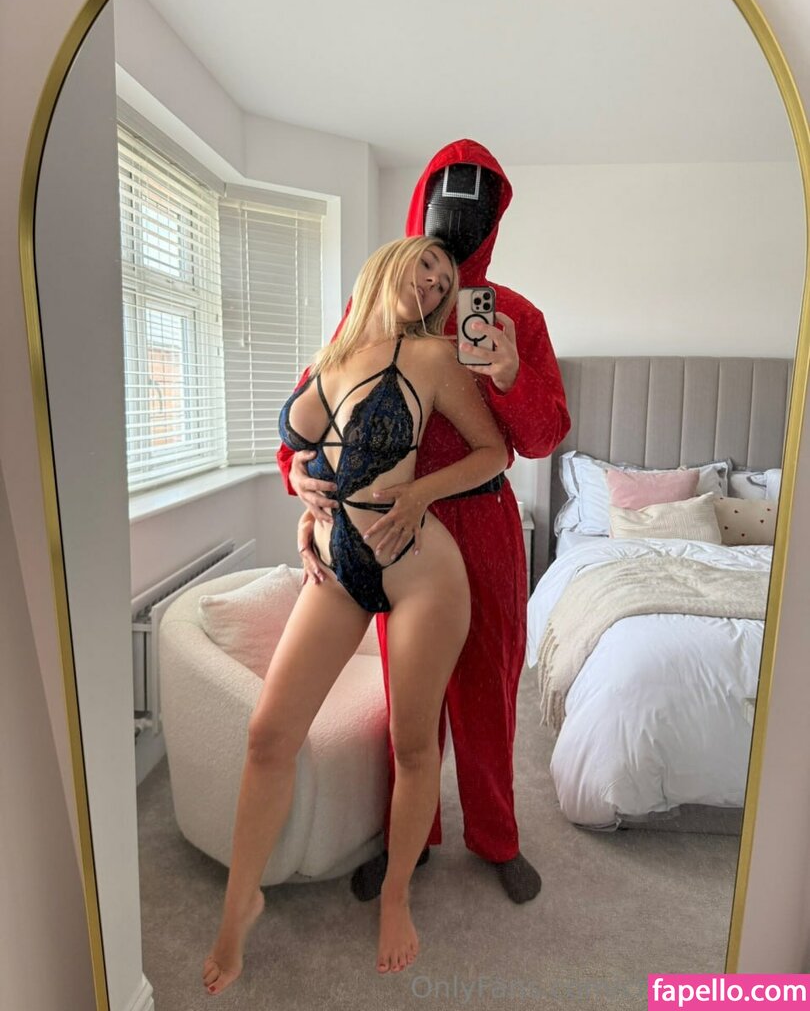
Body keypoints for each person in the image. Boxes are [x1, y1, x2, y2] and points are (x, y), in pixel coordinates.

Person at [202, 235, 508, 995]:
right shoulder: (331, 357)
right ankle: (242, 902)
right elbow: (308, 455)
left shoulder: (434, 358)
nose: (433, 283)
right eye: (425, 265)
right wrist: (302, 502)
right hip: (338, 565)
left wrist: (420, 493)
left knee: (413, 746)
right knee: (269, 735)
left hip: (420, 570)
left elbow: (493, 452)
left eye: (444, 280)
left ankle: (397, 896)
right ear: (387, 265)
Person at [279, 140, 570, 906]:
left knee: (487, 689)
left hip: (483, 522)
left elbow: (542, 439)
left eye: (479, 202)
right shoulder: (372, 312)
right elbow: (312, 414)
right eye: (449, 195)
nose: (460, 219)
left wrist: (509, 375)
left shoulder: (515, 317)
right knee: (407, 693)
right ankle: (410, 838)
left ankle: (498, 836)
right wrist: (296, 476)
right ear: (423, 205)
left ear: (495, 219)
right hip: (390, 533)